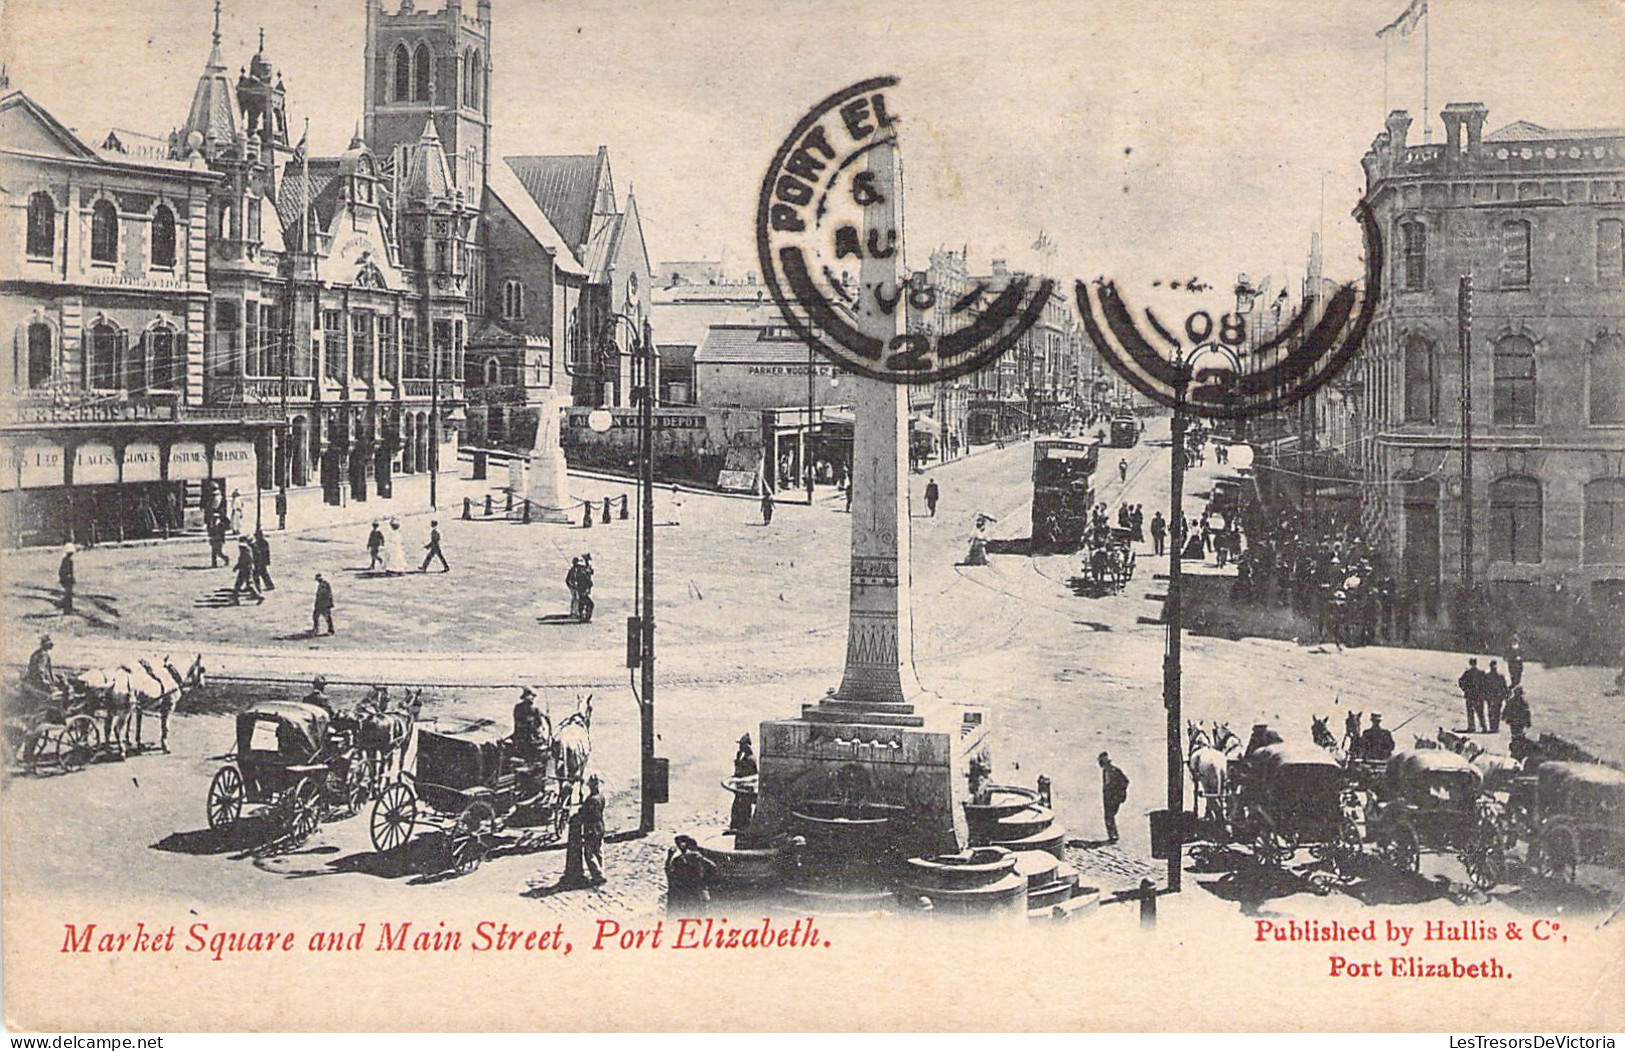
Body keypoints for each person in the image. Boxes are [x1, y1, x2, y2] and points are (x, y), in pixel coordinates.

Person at [665, 834, 718, 915]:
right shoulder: (696, 856)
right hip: (695, 890)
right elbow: (712, 867)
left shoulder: (679, 860)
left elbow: (669, 872)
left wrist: (669, 857)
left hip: (684, 893)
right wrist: (704, 882)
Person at [728, 733, 758, 834]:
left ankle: (744, 829)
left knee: (744, 809)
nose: (740, 746)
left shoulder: (751, 759)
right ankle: (735, 827)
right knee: (736, 808)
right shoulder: (740, 755)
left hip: (746, 790)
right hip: (739, 788)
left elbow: (754, 776)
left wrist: (741, 780)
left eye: (742, 744)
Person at [579, 774, 605, 884]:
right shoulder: (601, 796)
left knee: (589, 854)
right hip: (600, 826)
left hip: (591, 828)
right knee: (598, 851)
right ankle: (601, 872)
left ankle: (598, 875)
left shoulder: (591, 800)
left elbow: (588, 815)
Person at [1099, 751, 1129, 843]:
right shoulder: (1105, 771)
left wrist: (1118, 792)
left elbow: (1125, 781)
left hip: (1114, 797)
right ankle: (1113, 835)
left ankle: (1114, 835)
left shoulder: (1115, 771)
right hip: (1107, 797)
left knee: (1110, 815)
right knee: (1109, 816)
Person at [512, 687, 543, 761]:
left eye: (533, 696)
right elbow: (517, 720)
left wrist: (538, 729)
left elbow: (539, 722)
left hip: (532, 734)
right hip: (521, 734)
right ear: (525, 697)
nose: (532, 698)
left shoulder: (536, 709)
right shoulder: (518, 707)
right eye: (531, 696)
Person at [1458, 658, 1485, 733]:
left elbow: (1460, 681)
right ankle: (1483, 726)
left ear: (1470, 663)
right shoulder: (1481, 673)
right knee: (1480, 712)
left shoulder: (1467, 673)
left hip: (1470, 695)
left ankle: (1471, 727)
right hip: (1479, 696)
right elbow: (1485, 683)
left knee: (1470, 712)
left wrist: (1465, 689)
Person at [231, 537, 262, 603]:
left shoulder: (245, 550)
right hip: (245, 569)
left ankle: (258, 596)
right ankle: (235, 599)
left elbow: (243, 561)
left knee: (247, 585)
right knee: (239, 585)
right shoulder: (248, 549)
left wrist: (237, 566)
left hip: (245, 569)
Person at [1484, 659, 1509, 733]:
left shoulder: (1489, 676)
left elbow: (1504, 687)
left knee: (1493, 712)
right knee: (1495, 712)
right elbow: (1505, 687)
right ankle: (1494, 727)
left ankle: (1493, 727)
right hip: (1496, 697)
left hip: (1494, 697)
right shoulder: (1500, 676)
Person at [577, 554, 595, 623]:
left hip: (582, 591)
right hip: (583, 591)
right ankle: (586, 618)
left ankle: (583, 617)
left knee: (583, 604)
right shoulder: (582, 574)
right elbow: (588, 581)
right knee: (590, 604)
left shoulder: (581, 573)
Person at [58, 544, 76, 613]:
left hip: (65, 579)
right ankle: (67, 609)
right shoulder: (69, 561)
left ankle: (67, 609)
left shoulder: (64, 560)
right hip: (67, 579)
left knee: (67, 594)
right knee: (68, 595)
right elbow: (70, 571)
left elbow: (61, 571)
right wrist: (71, 577)